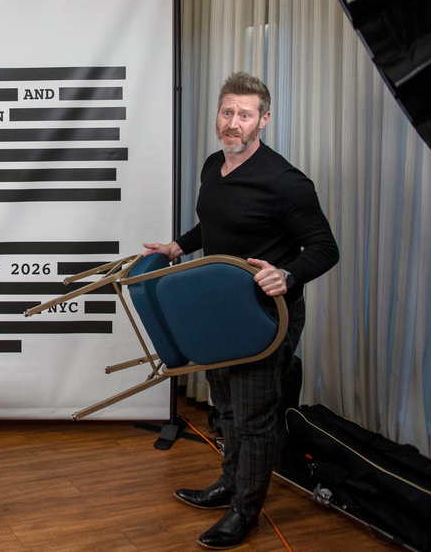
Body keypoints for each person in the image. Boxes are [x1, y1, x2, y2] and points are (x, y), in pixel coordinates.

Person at [143, 72, 338, 550]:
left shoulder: (286, 182)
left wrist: (287, 275)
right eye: (227, 112)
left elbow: (324, 248)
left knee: (253, 419)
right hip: (220, 314)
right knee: (225, 408)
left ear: (263, 120)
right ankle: (230, 485)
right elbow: (211, 224)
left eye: (244, 115)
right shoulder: (215, 165)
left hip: (265, 320)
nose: (233, 123)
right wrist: (178, 246)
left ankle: (244, 513)